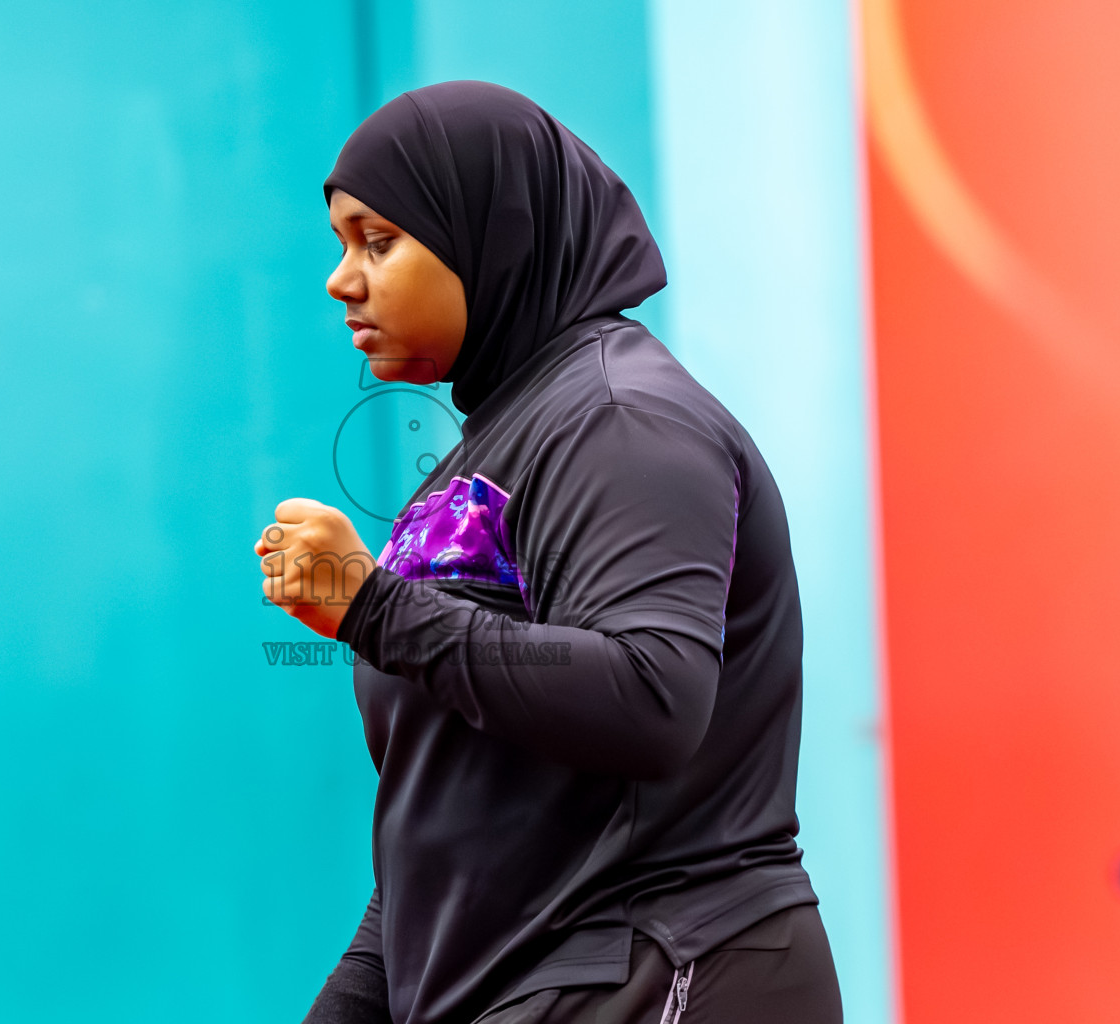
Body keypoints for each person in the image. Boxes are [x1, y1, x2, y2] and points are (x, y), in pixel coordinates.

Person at [254, 81, 845, 1024]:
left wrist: (371, 607)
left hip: (662, 968)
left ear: (489, 232)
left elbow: (653, 697)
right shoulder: (490, 450)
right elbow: (447, 826)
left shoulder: (622, 418)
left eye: (379, 242)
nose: (342, 279)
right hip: (541, 980)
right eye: (340, 246)